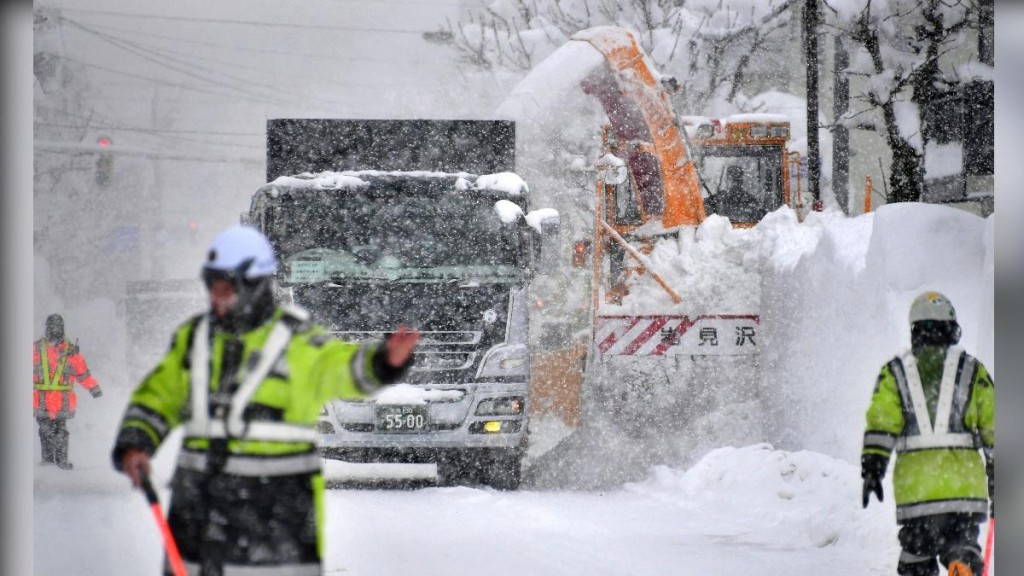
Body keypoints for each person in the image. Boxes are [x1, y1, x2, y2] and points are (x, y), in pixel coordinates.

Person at [111, 224, 420, 576]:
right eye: (213, 287)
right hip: (197, 522)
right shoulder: (194, 339)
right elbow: (158, 396)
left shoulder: (298, 341)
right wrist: (136, 443)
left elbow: (342, 368)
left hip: (276, 527)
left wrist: (383, 361)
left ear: (255, 286)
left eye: (227, 288)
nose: (217, 298)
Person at [861, 291, 994, 576]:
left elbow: (881, 421)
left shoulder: (895, 373)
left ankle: (919, 567)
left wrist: (873, 466)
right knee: (960, 542)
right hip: (964, 492)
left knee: (916, 553)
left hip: (917, 492)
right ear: (952, 329)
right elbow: (995, 425)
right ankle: (961, 560)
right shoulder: (972, 370)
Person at [33, 313, 103, 470]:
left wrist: (94, 388)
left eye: (57, 327)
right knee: (46, 431)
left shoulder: (70, 351)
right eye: (52, 327)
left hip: (60, 402)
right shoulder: (35, 349)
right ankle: (48, 462)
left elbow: (82, 373)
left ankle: (61, 462)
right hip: (43, 400)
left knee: (60, 432)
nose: (55, 330)